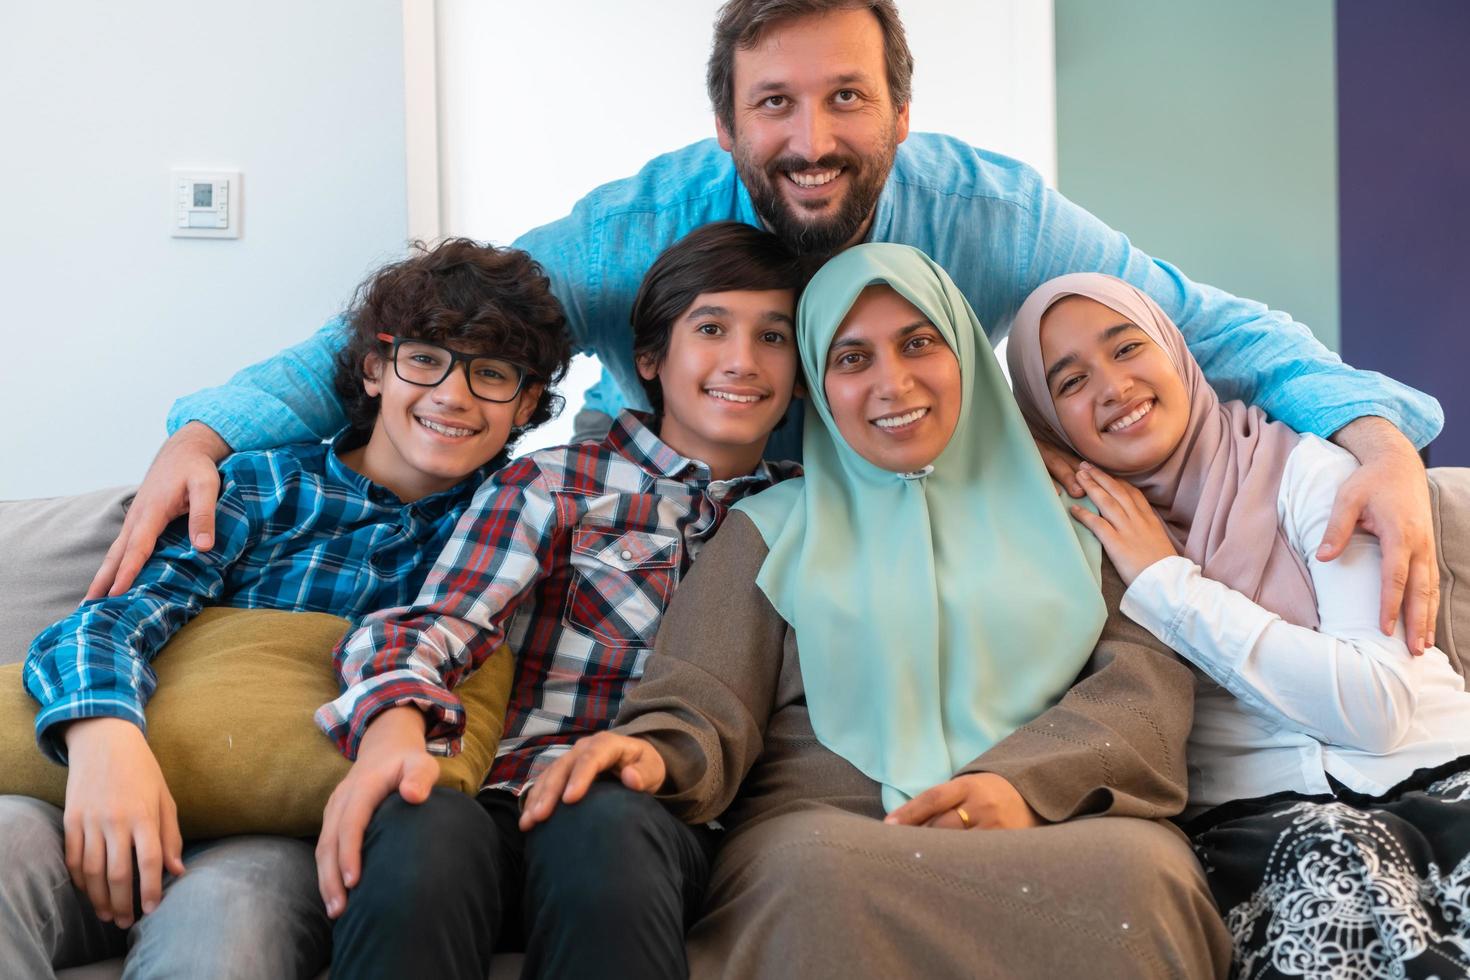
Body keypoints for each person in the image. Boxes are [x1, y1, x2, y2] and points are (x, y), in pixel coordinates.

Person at [96, 0, 1443, 656]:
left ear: (899, 113)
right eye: (776, 106)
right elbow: (449, 323)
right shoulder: (644, 226)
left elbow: (1190, 322)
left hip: (881, 541)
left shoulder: (984, 210)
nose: (811, 139)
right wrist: (210, 422)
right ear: (729, 123)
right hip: (674, 566)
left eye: (846, 99)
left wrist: (1370, 427)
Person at [520, 243, 1233, 978]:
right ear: (818, 388)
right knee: (813, 871)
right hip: (833, 829)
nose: (893, 383)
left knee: (1139, 874)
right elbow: (701, 698)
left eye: (919, 343)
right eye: (853, 359)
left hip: (1058, 817)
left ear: (966, 353)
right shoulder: (770, 526)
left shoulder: (1084, 518)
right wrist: (653, 751)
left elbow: (1142, 687)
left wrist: (1020, 786)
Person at [0, 239, 571, 978]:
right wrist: (103, 737)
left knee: (227, 913)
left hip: (276, 838)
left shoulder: (511, 527)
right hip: (123, 779)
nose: (452, 395)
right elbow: (111, 617)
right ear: (374, 368)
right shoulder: (262, 486)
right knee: (7, 839)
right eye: (425, 359)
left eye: (491, 374)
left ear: (527, 402)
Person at [311, 222, 805, 980]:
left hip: (665, 821)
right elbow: (441, 624)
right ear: (650, 358)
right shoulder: (555, 483)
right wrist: (393, 727)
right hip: (510, 800)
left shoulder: (808, 513)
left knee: (601, 817)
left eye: (773, 337)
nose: (742, 360)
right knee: (421, 823)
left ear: (802, 370)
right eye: (711, 328)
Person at [1006, 273, 1470, 979]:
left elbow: (1377, 709)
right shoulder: (1077, 540)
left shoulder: (1308, 472)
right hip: (1263, 824)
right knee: (1325, 890)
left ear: (1175, 352)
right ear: (1045, 420)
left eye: (1128, 347)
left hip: (1442, 774)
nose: (1113, 387)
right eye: (1069, 383)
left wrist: (1167, 584)